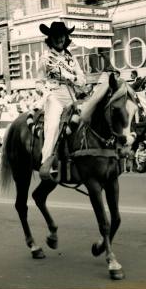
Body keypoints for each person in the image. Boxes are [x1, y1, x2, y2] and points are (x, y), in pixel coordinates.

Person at [35, 21, 86, 180]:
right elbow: (39, 82)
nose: (60, 39)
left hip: (71, 95)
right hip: (54, 94)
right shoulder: (45, 58)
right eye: (57, 36)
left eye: (62, 36)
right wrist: (45, 92)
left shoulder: (71, 58)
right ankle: (46, 162)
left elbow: (82, 80)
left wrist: (70, 76)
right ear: (51, 38)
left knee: (90, 118)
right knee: (53, 125)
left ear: (66, 37)